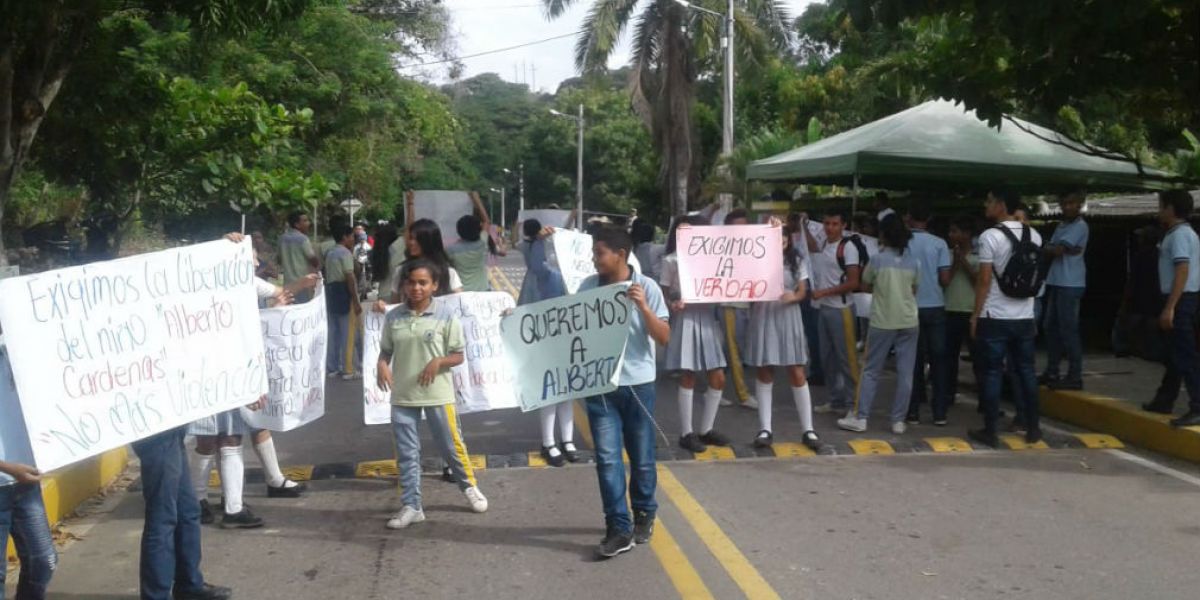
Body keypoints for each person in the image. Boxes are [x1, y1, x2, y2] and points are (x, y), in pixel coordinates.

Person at [579, 227, 670, 559]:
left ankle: (644, 511)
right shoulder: (588, 287)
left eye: (600, 252)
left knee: (642, 458)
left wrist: (644, 308)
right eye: (594, 252)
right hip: (600, 386)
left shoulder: (647, 287)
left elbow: (663, 337)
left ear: (621, 253)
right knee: (607, 459)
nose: (594, 258)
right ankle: (618, 527)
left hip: (638, 385)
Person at [376, 259, 488, 529]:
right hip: (403, 395)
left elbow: (458, 355)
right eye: (411, 282)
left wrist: (438, 362)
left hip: (438, 394)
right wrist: (381, 365)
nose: (416, 288)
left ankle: (469, 487)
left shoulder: (446, 315)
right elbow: (386, 350)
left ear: (434, 285)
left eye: (423, 283)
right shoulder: (394, 317)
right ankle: (412, 505)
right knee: (406, 452)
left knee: (451, 446)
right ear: (403, 285)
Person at [968, 189, 1044, 448]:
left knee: (992, 372)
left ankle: (991, 430)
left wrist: (975, 315)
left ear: (1001, 205)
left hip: (995, 315)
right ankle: (1033, 427)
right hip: (1024, 315)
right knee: (1026, 371)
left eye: (989, 201)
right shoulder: (1034, 234)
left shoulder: (990, 237)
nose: (985, 205)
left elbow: (985, 280)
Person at [838, 215, 920, 434]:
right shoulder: (913, 260)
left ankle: (861, 417)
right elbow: (914, 289)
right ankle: (898, 421)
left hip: (883, 320)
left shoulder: (877, 260)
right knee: (905, 372)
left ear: (883, 234)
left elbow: (865, 285)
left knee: (871, 369)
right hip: (909, 320)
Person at [745, 223, 821, 450]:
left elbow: (802, 290)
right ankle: (765, 428)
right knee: (765, 370)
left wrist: (793, 298)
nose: (781, 243)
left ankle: (808, 429)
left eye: (784, 239)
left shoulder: (797, 261)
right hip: (764, 315)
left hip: (788, 316)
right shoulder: (755, 260)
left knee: (796, 371)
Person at [659, 216, 729, 454]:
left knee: (718, 376)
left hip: (707, 316)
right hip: (686, 318)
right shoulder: (671, 260)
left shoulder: (712, 259)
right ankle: (686, 432)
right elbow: (664, 292)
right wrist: (672, 305)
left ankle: (706, 429)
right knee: (688, 374)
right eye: (681, 231)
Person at [516, 223, 577, 467]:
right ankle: (549, 441)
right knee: (550, 385)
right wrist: (540, 241)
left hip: (568, 327)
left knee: (569, 388)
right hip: (545, 327)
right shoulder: (542, 269)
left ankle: (568, 440)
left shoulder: (571, 272)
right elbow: (536, 265)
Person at [1, 336, 57, 600]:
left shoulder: (18, 350)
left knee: (43, 561)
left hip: (25, 482)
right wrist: (8, 467)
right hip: (8, 477)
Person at [1144, 190, 1200, 427]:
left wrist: (1170, 307)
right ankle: (1164, 399)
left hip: (1181, 299)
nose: (1158, 211)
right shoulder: (1179, 233)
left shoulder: (1179, 236)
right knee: (1174, 355)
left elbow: (1182, 270)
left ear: (1170, 208)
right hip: (1182, 298)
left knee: (1184, 354)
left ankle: (1197, 405)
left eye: (1160, 206)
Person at [804, 209, 862, 415]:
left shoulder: (848, 248)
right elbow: (812, 249)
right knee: (826, 357)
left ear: (843, 226)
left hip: (842, 308)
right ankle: (836, 399)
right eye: (827, 223)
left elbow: (854, 282)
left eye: (835, 224)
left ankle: (854, 403)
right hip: (824, 308)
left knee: (847, 359)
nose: (830, 228)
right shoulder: (824, 244)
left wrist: (824, 292)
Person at [905, 201, 952, 426]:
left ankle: (912, 411)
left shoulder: (902, 243)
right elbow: (945, 279)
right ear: (929, 219)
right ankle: (939, 412)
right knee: (938, 361)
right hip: (935, 306)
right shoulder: (940, 243)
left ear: (909, 217)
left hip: (909, 307)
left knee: (912, 361)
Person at [1039, 191, 1089, 390]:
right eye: (1064, 203)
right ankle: (1052, 371)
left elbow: (1058, 250)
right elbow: (1057, 249)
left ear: (1079, 205)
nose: (1067, 207)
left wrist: (1049, 247)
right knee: (1050, 327)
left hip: (1071, 283)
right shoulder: (1062, 225)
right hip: (1057, 281)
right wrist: (1053, 248)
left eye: (1071, 203)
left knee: (1068, 330)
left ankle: (1074, 375)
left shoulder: (1080, 226)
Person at [718, 208, 757, 409]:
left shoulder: (752, 249)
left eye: (744, 227)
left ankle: (714, 390)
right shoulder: (719, 250)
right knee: (734, 350)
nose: (740, 231)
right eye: (736, 228)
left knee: (729, 350)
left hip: (745, 303)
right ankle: (743, 394)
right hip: (730, 304)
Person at [944, 216, 984, 402]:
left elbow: (979, 280)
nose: (951, 235)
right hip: (950, 309)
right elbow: (945, 281)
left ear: (967, 234)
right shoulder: (947, 254)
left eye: (955, 231)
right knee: (949, 357)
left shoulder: (979, 255)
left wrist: (964, 262)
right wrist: (955, 262)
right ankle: (948, 394)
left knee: (978, 358)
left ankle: (985, 399)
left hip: (970, 311)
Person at [325, 226, 363, 380]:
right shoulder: (345, 253)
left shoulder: (330, 253)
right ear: (344, 237)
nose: (353, 240)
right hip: (343, 292)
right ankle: (348, 368)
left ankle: (332, 367)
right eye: (351, 237)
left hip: (331, 291)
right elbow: (350, 277)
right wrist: (356, 301)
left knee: (333, 331)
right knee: (348, 333)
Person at [447, 194, 493, 292]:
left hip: (461, 292)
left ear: (458, 231)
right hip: (483, 290)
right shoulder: (482, 243)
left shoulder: (450, 250)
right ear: (478, 229)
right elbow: (486, 221)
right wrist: (476, 199)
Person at [279, 211, 319, 302]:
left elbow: (279, 259)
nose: (308, 223)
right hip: (303, 283)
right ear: (297, 224)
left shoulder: (282, 239)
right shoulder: (303, 239)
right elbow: (313, 260)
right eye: (305, 221)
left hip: (288, 284)